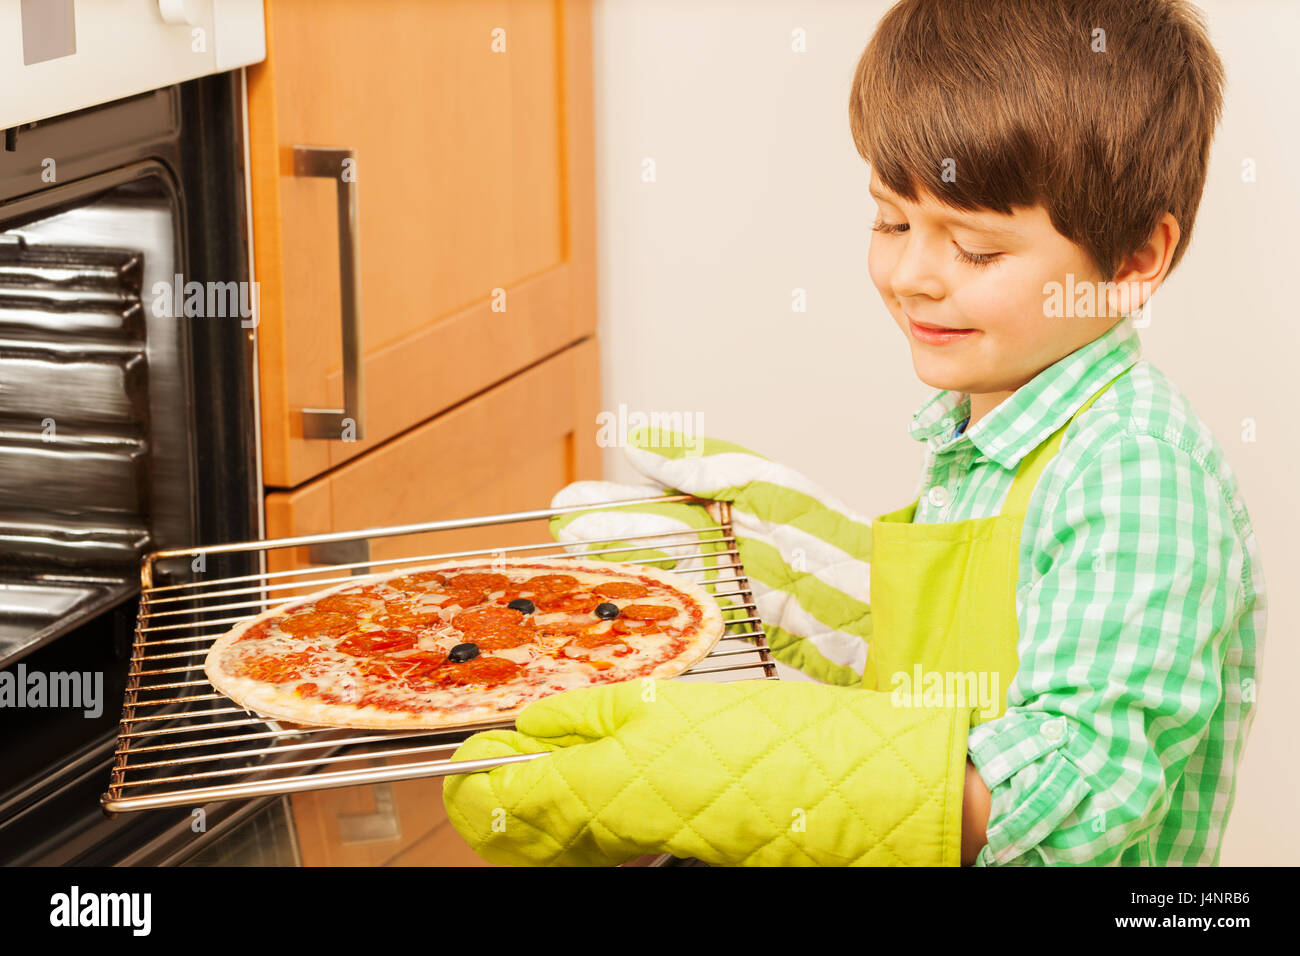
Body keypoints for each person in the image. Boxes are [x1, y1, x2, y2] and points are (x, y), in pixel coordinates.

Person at [441, 0, 1265, 867]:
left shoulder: (1136, 470)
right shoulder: (993, 424)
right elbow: (989, 675)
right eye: (892, 221)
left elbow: (1075, 795)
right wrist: (857, 629)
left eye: (977, 252)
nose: (912, 276)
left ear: (1135, 260)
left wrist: (738, 769)